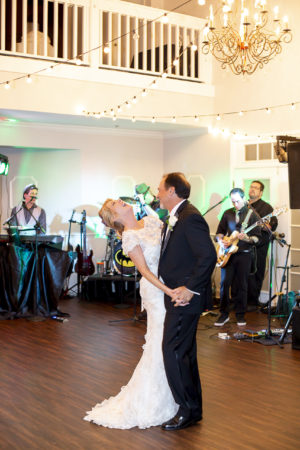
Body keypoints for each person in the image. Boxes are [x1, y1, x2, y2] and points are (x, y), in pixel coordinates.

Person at [84, 198, 178, 429]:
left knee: (171, 340)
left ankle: (175, 392)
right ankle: (156, 400)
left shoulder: (150, 222)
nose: (121, 201)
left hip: (171, 284)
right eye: (116, 204)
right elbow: (144, 270)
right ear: (114, 217)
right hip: (156, 291)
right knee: (159, 341)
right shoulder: (128, 236)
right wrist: (167, 290)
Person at [157, 173, 217, 431]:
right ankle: (192, 409)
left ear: (172, 191)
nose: (156, 193)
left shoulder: (190, 217)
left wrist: (191, 289)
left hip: (183, 298)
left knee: (173, 351)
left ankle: (187, 411)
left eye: (159, 189)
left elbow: (208, 256)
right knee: (184, 353)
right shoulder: (178, 216)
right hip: (176, 295)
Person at [214, 188, 261, 327]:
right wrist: (221, 241)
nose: (235, 205)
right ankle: (224, 314)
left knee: (242, 285)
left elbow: (258, 238)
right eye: (233, 202)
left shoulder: (253, 215)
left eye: (238, 201)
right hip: (227, 254)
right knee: (224, 285)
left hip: (244, 254)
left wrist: (247, 238)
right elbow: (219, 233)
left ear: (244, 198)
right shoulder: (227, 213)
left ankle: (240, 315)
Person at [247, 180, 278, 307]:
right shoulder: (244, 205)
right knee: (241, 274)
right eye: (251, 187)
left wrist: (266, 226)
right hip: (243, 245)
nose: (252, 189)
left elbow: (273, 225)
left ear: (261, 192)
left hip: (258, 247)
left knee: (256, 273)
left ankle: (253, 302)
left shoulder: (267, 207)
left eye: (256, 188)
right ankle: (239, 300)